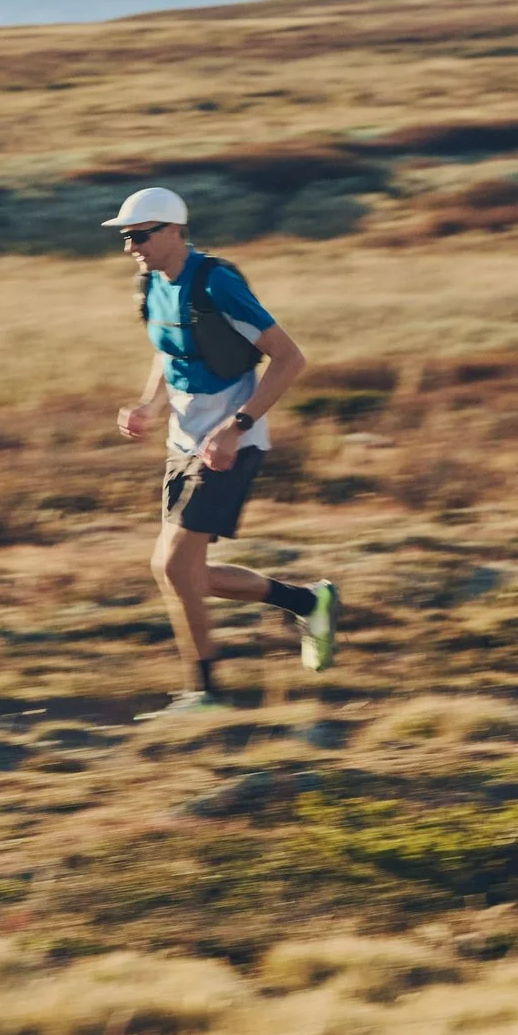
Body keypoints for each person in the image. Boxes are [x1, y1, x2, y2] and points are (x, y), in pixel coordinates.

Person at [107, 186, 338, 717]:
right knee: (182, 573)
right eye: (125, 238)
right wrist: (148, 405)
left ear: (173, 231)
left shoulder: (217, 283)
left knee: (171, 565)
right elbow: (168, 353)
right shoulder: (152, 283)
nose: (130, 247)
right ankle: (309, 602)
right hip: (185, 442)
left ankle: (205, 693)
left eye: (139, 235)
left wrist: (237, 427)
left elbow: (289, 359)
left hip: (232, 444)